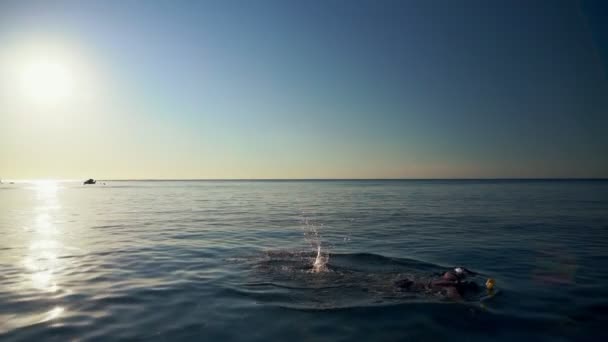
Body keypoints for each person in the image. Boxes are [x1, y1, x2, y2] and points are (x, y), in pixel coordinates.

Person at [395, 267, 487, 300]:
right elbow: (456, 299)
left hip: (409, 283)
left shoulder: (441, 278)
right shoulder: (451, 286)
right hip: (409, 289)